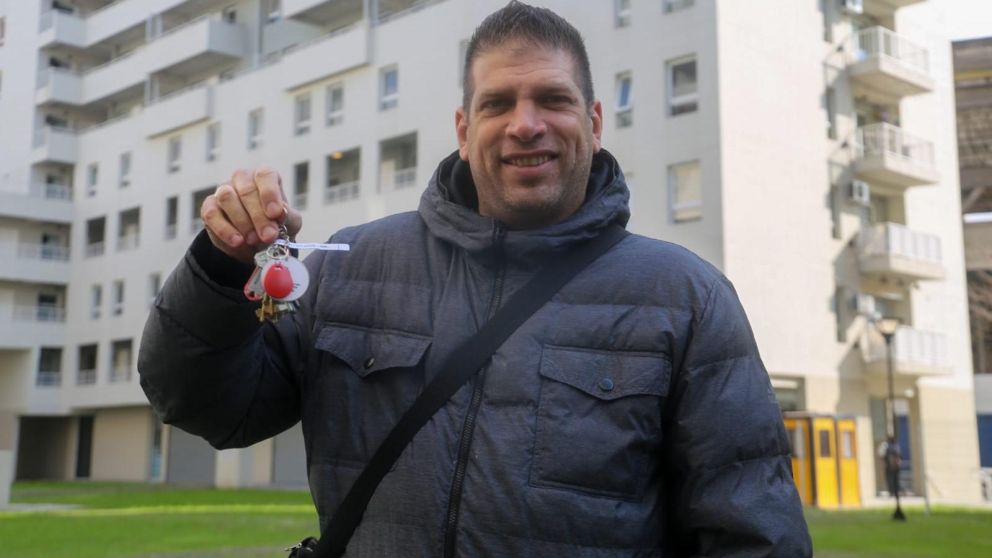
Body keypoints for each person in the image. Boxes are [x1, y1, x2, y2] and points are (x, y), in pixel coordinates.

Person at [138, 2, 812, 556]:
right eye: (498, 104)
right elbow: (202, 404)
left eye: (552, 98)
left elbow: (755, 537)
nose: (525, 124)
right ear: (463, 130)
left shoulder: (685, 297)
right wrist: (221, 265)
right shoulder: (353, 266)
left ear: (595, 123)